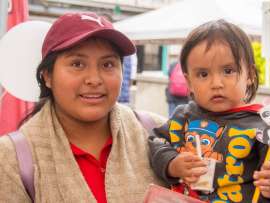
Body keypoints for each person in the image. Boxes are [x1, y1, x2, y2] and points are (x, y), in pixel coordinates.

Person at [0, 12, 166, 202]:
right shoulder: (11, 159)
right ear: (47, 76)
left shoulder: (161, 132)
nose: (94, 79)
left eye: (108, 64)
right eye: (77, 64)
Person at [148, 19, 270, 202]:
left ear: (250, 75)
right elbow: (156, 141)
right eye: (203, 74)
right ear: (189, 82)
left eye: (228, 71)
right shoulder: (182, 117)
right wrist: (171, 163)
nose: (216, 84)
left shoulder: (265, 125)